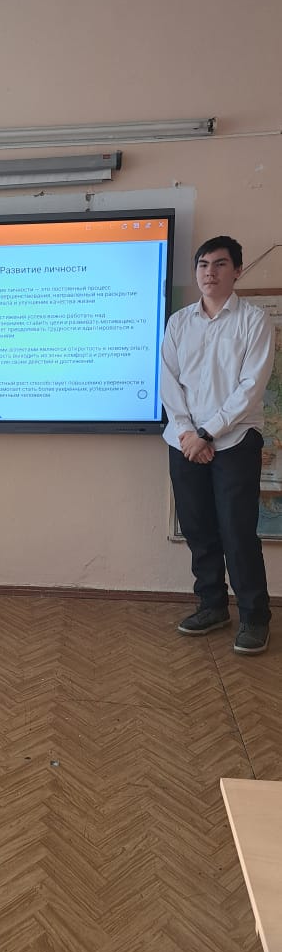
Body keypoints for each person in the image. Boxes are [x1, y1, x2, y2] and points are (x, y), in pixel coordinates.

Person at [161, 235, 275, 655]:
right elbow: (168, 383)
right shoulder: (179, 323)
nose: (210, 272)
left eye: (220, 264)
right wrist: (189, 433)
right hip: (185, 442)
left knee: (237, 531)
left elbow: (250, 387)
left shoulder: (254, 322)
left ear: (237, 270)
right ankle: (212, 606)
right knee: (198, 528)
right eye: (203, 265)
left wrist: (207, 432)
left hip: (236, 441)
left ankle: (255, 618)